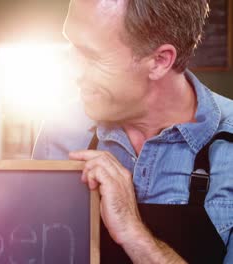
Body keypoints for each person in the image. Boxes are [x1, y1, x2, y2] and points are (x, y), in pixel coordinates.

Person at [33, 0, 233, 263]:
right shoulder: (59, 131)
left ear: (159, 61)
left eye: (91, 56)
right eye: (71, 45)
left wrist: (133, 232)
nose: (72, 71)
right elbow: (31, 250)